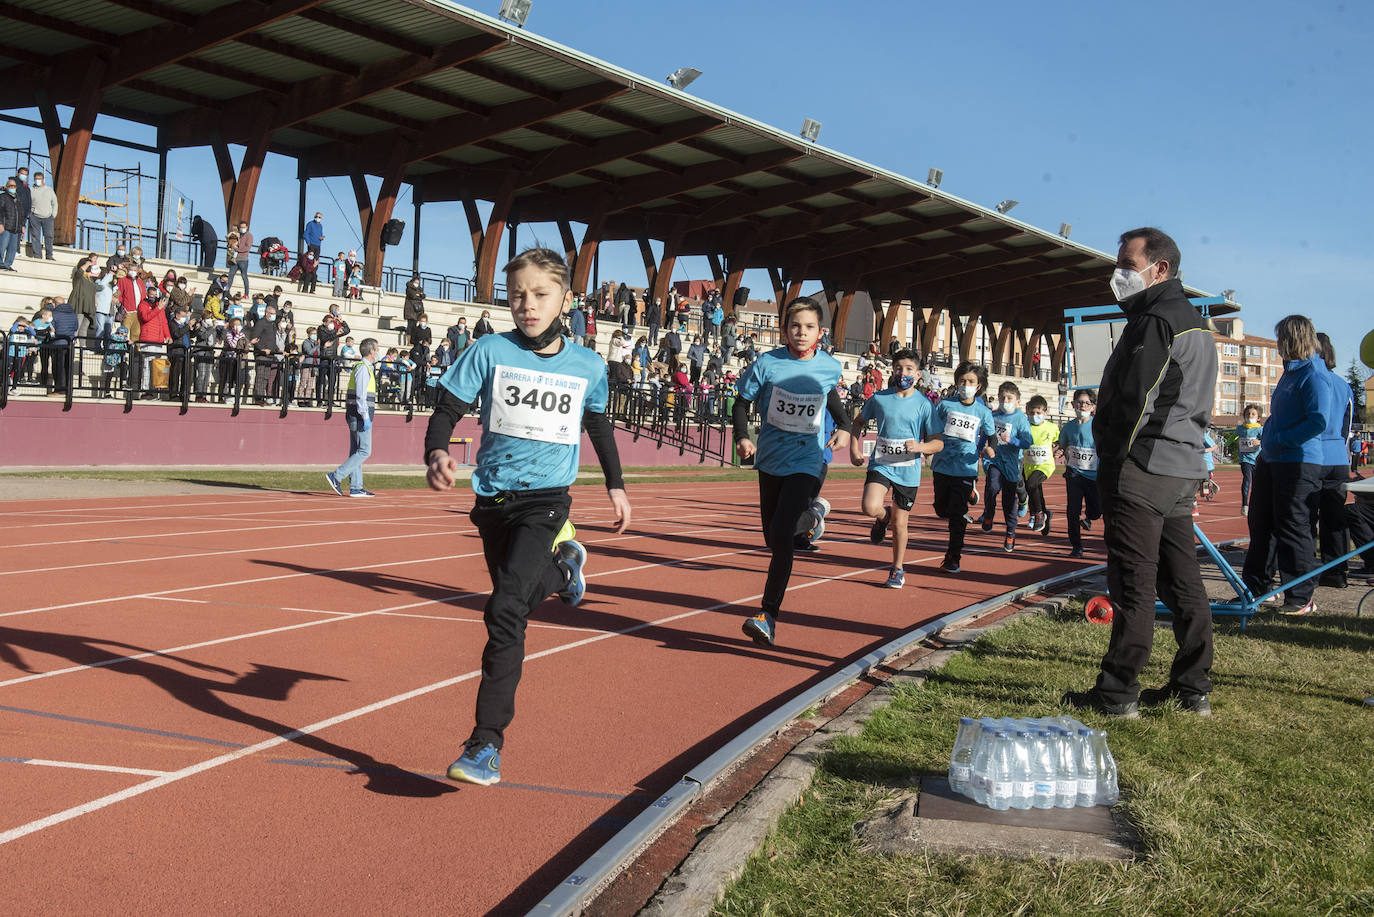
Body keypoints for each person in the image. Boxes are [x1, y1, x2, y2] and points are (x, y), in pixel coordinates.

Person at [422, 247, 631, 786]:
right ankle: (565, 572)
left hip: (547, 500)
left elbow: (600, 427)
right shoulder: (489, 350)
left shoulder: (587, 364)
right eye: (517, 295)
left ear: (565, 299)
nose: (527, 305)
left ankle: (485, 744)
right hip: (493, 500)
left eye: (540, 295)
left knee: (505, 610)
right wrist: (437, 452)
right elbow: (447, 408)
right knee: (511, 606)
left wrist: (616, 486)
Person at [1064, 227, 1217, 718]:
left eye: (1127, 264)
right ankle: (1193, 687)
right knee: (1183, 580)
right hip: (1180, 467)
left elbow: (1133, 402)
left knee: (1134, 582)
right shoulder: (1196, 322)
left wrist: (1111, 458)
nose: (1118, 274)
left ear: (1160, 269)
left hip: (1144, 468)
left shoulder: (1156, 320)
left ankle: (1117, 692)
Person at [732, 297, 849, 647]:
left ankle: (768, 615)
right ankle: (813, 516)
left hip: (807, 459)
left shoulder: (829, 367)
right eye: (795, 326)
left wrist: (844, 426)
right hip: (770, 459)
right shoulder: (767, 364)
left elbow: (833, 402)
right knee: (773, 539)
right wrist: (742, 437)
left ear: (820, 332)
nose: (802, 332)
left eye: (809, 327)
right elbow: (741, 402)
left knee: (783, 534)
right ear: (785, 329)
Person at [1242, 315, 1329, 615]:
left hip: (1298, 462)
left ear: (1295, 339)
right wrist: (1270, 440)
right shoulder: (1289, 373)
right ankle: (1256, 588)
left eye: (1281, 339)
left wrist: (1282, 440)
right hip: (1271, 459)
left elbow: (1318, 420)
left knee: (1293, 527)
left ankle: (1300, 596)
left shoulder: (1313, 375)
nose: (1278, 345)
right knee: (1261, 522)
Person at [852, 349, 942, 588]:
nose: (903, 373)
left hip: (908, 470)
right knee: (869, 506)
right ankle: (883, 518)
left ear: (919, 374)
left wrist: (921, 446)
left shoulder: (925, 405)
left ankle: (897, 568)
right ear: (893, 370)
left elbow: (938, 442)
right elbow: (858, 422)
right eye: (899, 368)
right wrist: (854, 448)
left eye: (909, 369)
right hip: (881, 463)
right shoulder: (880, 398)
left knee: (901, 525)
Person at [930, 362, 995, 573]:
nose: (965, 385)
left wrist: (990, 449)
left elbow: (992, 436)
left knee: (957, 514)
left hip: (965, 468)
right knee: (941, 510)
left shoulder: (983, 411)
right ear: (957, 382)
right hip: (942, 465)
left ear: (978, 386)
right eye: (962, 381)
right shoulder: (944, 405)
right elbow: (931, 428)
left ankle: (953, 557)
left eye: (971, 382)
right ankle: (967, 498)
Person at [1315, 332, 1353, 587]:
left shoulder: (1309, 380)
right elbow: (1347, 427)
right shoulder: (1344, 386)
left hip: (1312, 455)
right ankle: (1337, 572)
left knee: (1303, 517)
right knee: (1335, 517)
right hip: (1339, 456)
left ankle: (1303, 570)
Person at [978, 381, 1033, 553]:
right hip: (994, 460)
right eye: (1002, 398)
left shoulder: (1020, 419)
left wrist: (1013, 440)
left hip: (1011, 464)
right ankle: (988, 514)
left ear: (1017, 401)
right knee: (992, 487)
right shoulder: (992, 415)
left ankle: (1010, 531)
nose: (1005, 401)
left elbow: (1028, 442)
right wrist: (979, 450)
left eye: (1009, 398)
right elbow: (984, 435)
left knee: (1009, 501)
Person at [325, 337, 380, 498]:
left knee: (356, 450)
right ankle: (336, 476)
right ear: (371, 351)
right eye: (376, 350)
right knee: (365, 450)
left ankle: (356, 487)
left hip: (356, 414)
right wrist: (365, 417)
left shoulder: (363, 367)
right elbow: (361, 396)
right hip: (359, 415)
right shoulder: (363, 368)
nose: (377, 353)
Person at [1058, 389, 1102, 558]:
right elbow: (1062, 444)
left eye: (1086, 403)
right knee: (1072, 511)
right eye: (1079, 402)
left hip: (1093, 477)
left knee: (1096, 511)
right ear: (1073, 404)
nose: (1082, 405)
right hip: (1074, 474)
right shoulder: (1068, 427)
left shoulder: (1098, 426)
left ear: (1093, 407)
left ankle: (1090, 517)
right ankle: (1076, 546)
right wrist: (1059, 451)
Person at [1022, 395, 1060, 535]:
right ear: (1027, 412)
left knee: (1032, 484)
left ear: (1045, 413)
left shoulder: (1052, 427)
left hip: (1045, 465)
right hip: (1029, 465)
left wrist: (1059, 450)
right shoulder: (1024, 427)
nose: (1035, 416)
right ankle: (1045, 514)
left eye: (1038, 413)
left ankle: (1038, 514)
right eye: (1032, 413)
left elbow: (1060, 440)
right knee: (1034, 489)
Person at [1236, 404, 1263, 515]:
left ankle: (1256, 504)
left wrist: (1260, 442)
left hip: (1257, 459)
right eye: (1247, 414)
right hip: (1245, 459)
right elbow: (1235, 436)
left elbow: (1267, 440)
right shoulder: (1241, 428)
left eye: (1253, 414)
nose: (1250, 416)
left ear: (1258, 418)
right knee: (1247, 479)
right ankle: (1245, 504)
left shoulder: (1260, 429)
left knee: (1258, 483)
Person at [26, 170, 56, 260]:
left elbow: (55, 203)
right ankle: (37, 255)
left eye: (39, 179)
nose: (37, 181)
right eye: (36, 179)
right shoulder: (31, 190)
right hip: (34, 216)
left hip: (48, 217)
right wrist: (30, 214)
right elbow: (28, 203)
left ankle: (49, 255)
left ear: (43, 179)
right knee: (35, 237)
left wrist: (53, 215)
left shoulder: (49, 190)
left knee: (49, 236)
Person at [226, 220, 252, 296]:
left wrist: (237, 249)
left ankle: (246, 293)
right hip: (234, 259)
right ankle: (227, 291)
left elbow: (247, 248)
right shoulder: (238, 235)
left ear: (247, 227)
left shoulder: (249, 236)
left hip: (243, 259)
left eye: (243, 227)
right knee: (230, 275)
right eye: (241, 227)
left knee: (244, 276)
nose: (242, 229)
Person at [0, 176, 20, 271]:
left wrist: (22, 226)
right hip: (6, 227)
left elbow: (21, 213)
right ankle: (0, 263)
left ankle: (7, 264)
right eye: (11, 186)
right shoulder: (3, 197)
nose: (13, 188)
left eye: (14, 186)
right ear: (7, 187)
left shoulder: (17, 200)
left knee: (12, 249)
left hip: (15, 229)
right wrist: (0, 224)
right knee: (2, 246)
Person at [403, 276, 426, 342]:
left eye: (418, 283)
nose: (417, 284)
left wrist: (419, 295)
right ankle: (409, 341)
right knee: (410, 326)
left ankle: (413, 340)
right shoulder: (409, 288)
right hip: (410, 310)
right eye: (415, 282)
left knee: (415, 327)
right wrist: (419, 295)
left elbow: (423, 296)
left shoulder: (420, 289)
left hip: (417, 311)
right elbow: (412, 295)